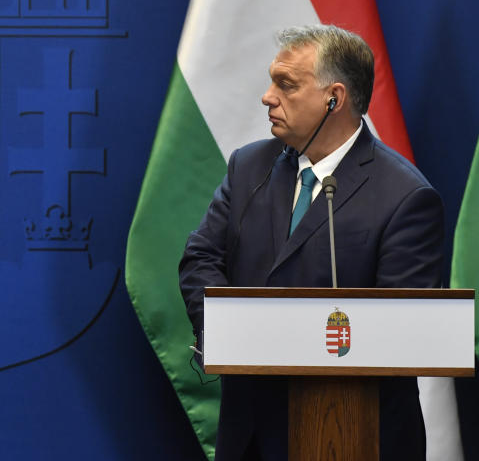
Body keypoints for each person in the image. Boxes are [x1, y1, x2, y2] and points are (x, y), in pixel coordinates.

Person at [179, 24, 443, 461]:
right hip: (250, 432)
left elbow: (401, 330)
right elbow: (201, 257)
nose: (267, 96)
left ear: (333, 98)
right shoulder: (248, 166)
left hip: (355, 435)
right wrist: (229, 330)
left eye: (286, 84)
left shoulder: (407, 197)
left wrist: (285, 338)